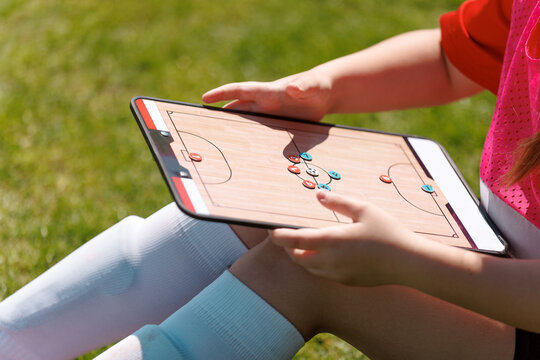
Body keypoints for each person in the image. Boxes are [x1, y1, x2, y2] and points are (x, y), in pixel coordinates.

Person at [1, 0, 539, 359]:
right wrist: (327, 86)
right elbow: (453, 57)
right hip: (493, 256)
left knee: (305, 265)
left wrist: (410, 262)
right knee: (257, 201)